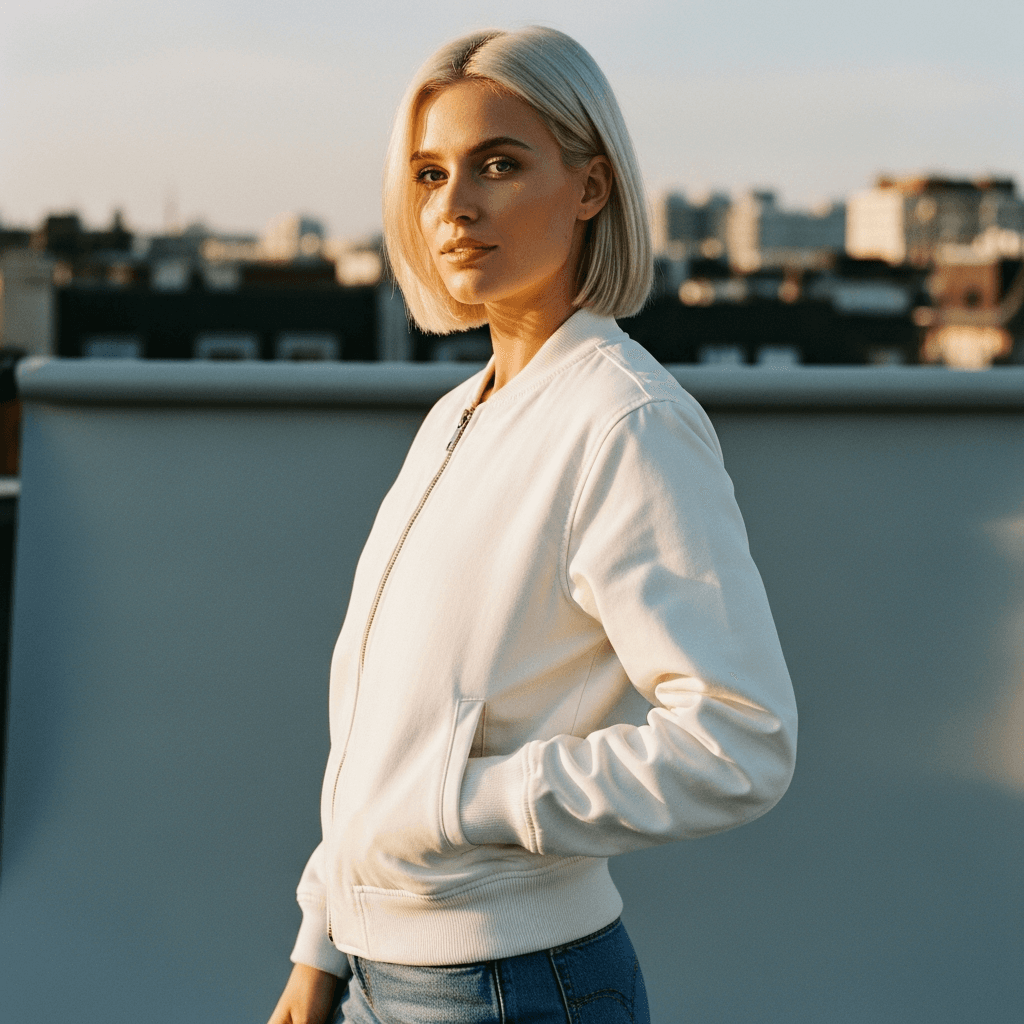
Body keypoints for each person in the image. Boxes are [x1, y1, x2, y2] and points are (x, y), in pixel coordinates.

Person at [268, 25, 797, 1024]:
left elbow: (743, 739)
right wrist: (320, 947)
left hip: (510, 989)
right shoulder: (456, 416)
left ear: (590, 185)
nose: (454, 207)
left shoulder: (624, 420)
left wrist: (469, 804)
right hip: (378, 979)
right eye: (428, 174)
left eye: (498, 165)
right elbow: (394, 723)